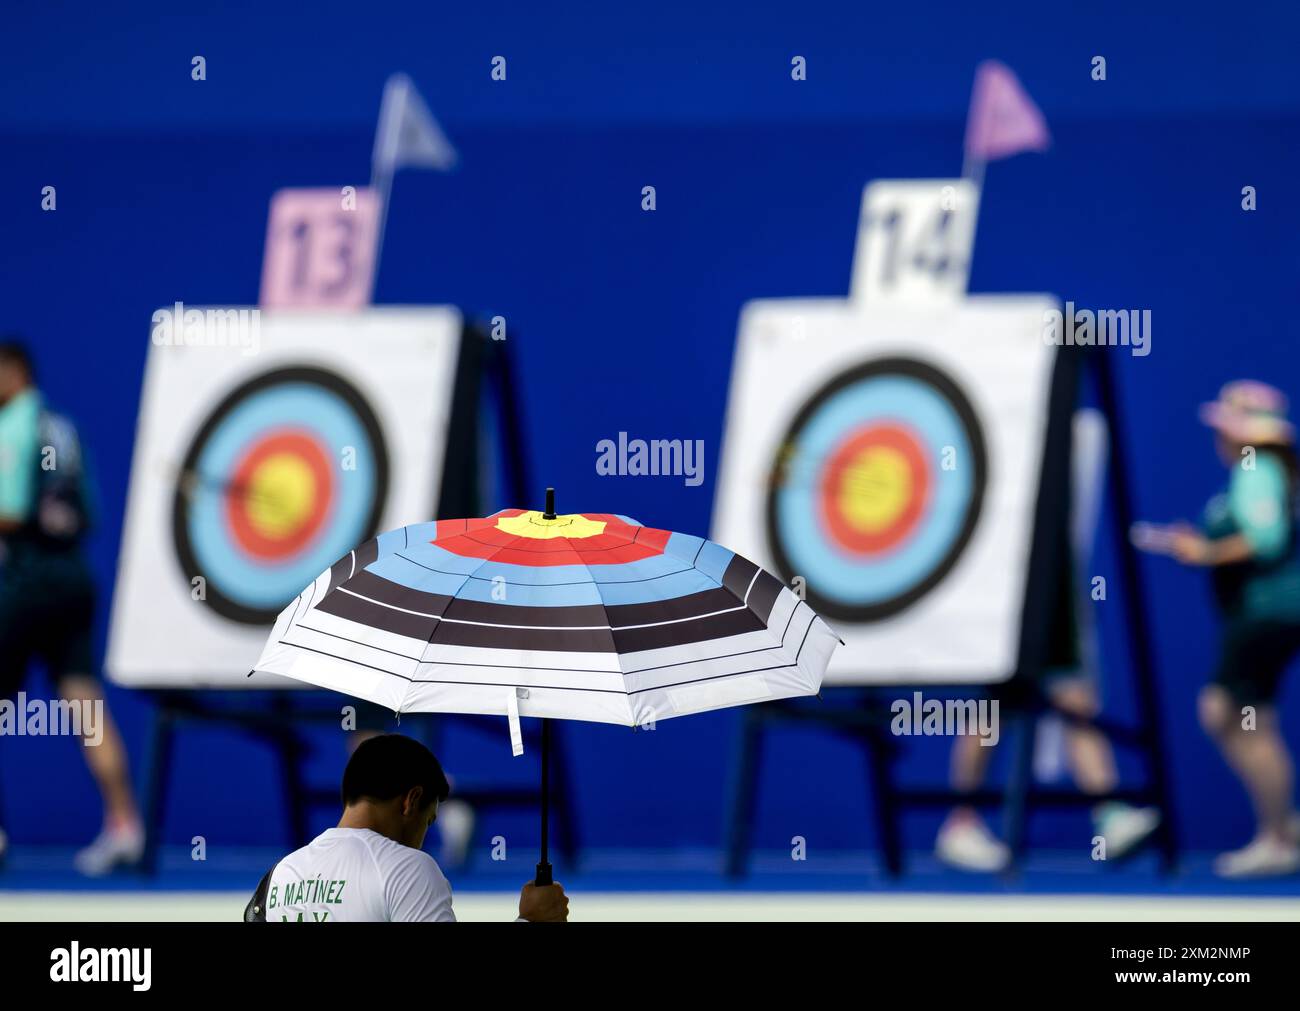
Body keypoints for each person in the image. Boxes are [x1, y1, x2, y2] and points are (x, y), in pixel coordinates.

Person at [936, 410, 1160, 871]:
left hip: (1048, 596)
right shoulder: (982, 455)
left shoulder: (1063, 441)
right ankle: (961, 824)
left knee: (1075, 702)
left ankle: (1110, 815)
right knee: (990, 712)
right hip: (1000, 602)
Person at [1134, 380, 1300, 877]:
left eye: (1224, 429)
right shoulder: (1263, 472)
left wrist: (1205, 552)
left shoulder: (1257, 469)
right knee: (1248, 718)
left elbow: (1265, 539)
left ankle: (1278, 836)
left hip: (1263, 615)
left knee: (1229, 713)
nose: (1217, 439)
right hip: (1266, 616)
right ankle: (1283, 830)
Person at [0, 338, 143, 874]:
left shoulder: (14, 425)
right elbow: (90, 513)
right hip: (73, 579)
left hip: (24, 581)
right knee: (85, 703)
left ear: (13, 373)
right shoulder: (65, 429)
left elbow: (11, 512)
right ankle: (126, 825)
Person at [246, 733, 569, 922]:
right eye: (429, 821)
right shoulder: (408, 869)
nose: (423, 837)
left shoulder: (281, 873)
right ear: (411, 801)